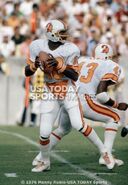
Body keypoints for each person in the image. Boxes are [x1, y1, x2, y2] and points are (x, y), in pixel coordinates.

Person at [25, 20, 115, 172]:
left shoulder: (71, 49)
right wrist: (35, 65)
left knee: (78, 124)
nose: (64, 35)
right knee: (44, 132)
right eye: (61, 32)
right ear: (51, 33)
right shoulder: (37, 46)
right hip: (49, 90)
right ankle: (45, 161)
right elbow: (27, 72)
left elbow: (74, 75)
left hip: (67, 90)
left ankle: (104, 152)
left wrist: (59, 65)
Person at [32, 44, 128, 168]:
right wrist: (116, 104)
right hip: (84, 100)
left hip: (69, 97)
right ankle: (106, 155)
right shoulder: (112, 65)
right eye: (113, 56)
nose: (115, 59)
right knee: (114, 117)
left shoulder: (83, 60)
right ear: (108, 56)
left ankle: (40, 157)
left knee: (63, 129)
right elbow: (101, 96)